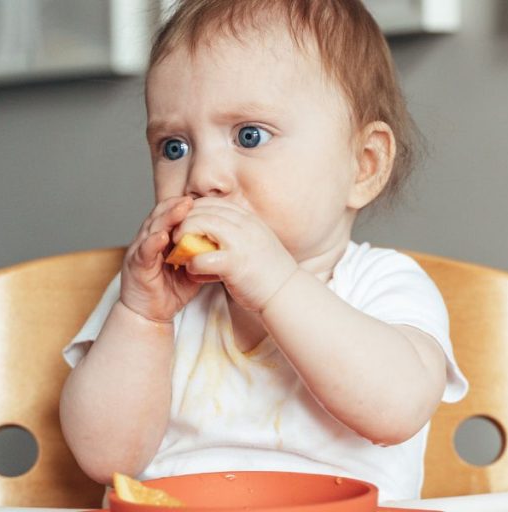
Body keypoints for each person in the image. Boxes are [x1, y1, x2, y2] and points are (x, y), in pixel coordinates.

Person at [59, 0, 468, 502]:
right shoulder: (150, 295)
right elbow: (105, 459)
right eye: (174, 147)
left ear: (363, 165)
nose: (202, 177)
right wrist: (142, 317)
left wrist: (276, 284)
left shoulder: (383, 283)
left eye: (249, 136)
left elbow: (397, 408)